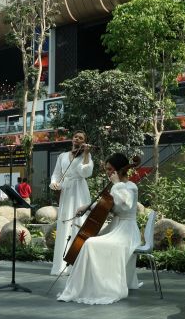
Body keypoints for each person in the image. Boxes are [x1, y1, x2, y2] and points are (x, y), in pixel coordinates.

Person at [57, 153, 141, 304]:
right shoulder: (118, 187)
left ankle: (104, 287)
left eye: (110, 169)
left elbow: (126, 203)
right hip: (116, 227)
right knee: (89, 241)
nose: (108, 172)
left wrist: (116, 184)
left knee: (90, 243)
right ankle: (88, 286)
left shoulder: (130, 187)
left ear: (119, 170)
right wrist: (87, 206)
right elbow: (108, 204)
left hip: (127, 231)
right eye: (107, 170)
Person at [49, 130, 93, 276]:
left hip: (79, 190)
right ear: (72, 139)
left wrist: (86, 154)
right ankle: (62, 264)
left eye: (81, 138)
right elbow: (56, 174)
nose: (77, 139)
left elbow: (85, 173)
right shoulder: (62, 156)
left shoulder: (85, 155)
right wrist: (54, 183)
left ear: (84, 141)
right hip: (66, 191)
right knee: (65, 223)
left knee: (79, 222)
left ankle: (79, 264)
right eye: (76, 137)